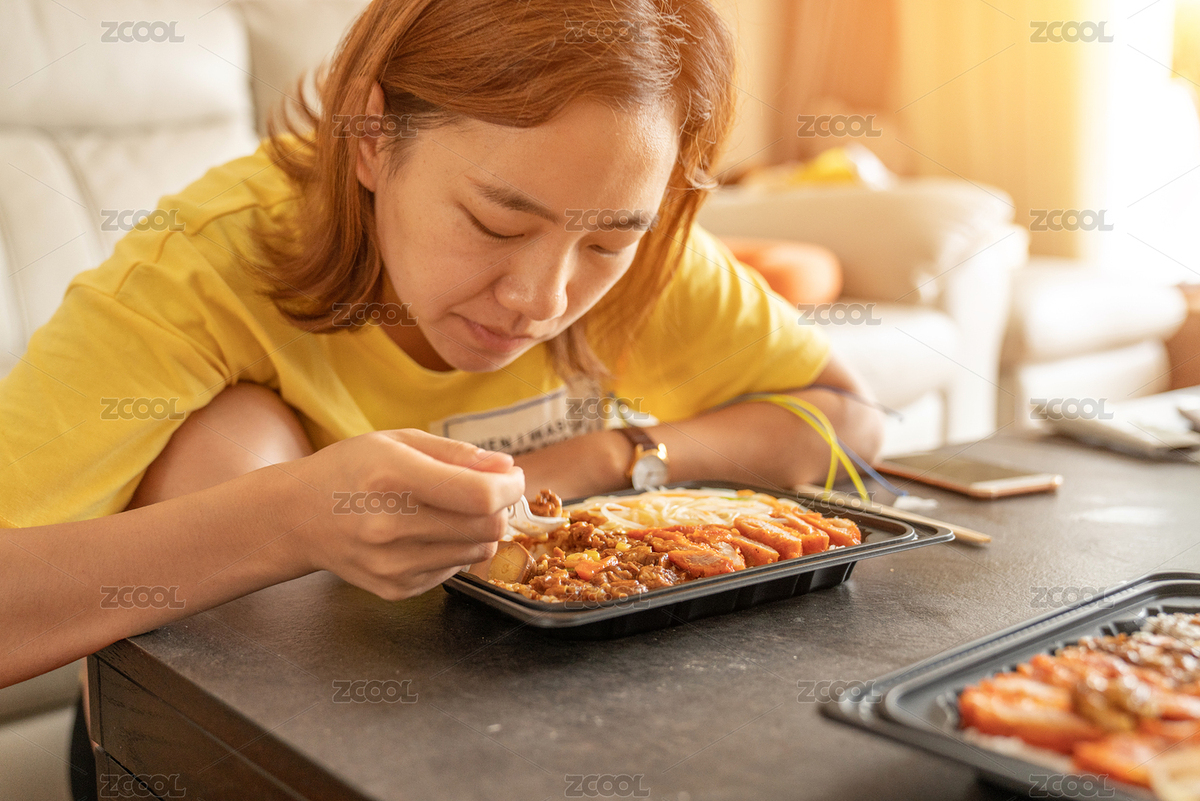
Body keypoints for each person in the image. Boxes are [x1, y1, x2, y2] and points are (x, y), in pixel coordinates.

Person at [0, 0, 881, 696]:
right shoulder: (202, 264)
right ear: (373, 139)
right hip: (217, 740)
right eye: (496, 222)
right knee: (232, 434)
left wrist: (604, 455)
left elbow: (847, 419)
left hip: (520, 716)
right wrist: (290, 516)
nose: (544, 299)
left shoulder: (642, 255)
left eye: (607, 245)